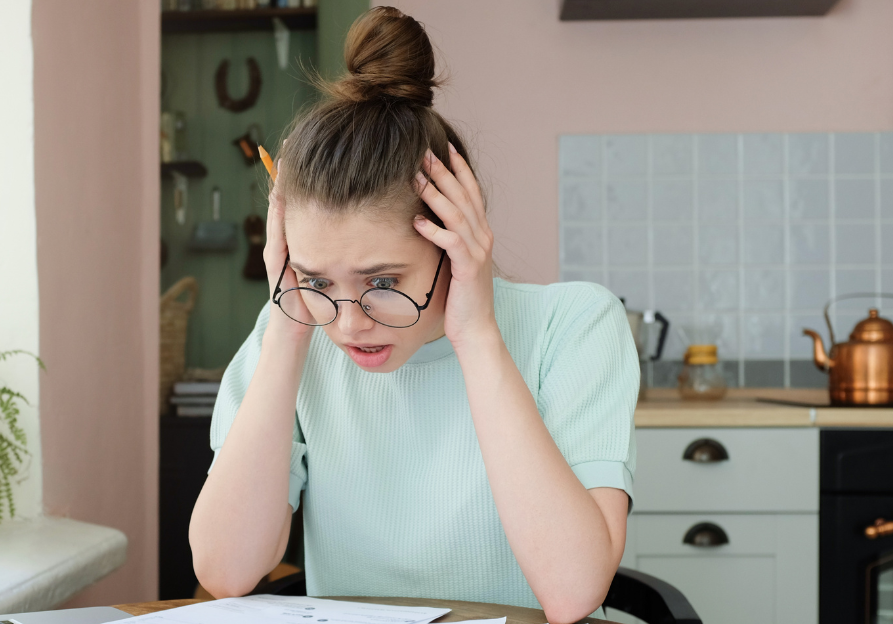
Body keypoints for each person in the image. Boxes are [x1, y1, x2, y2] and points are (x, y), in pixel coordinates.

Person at [188, 7, 637, 624]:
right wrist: (290, 324)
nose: (347, 325)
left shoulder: (577, 325)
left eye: (381, 281)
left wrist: (476, 335)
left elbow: (570, 593)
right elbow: (224, 570)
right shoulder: (294, 326)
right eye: (318, 279)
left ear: (455, 239)